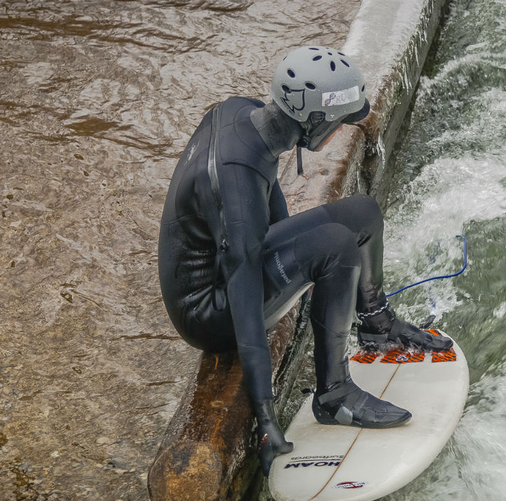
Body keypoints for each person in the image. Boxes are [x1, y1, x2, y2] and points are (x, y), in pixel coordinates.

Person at [158, 46, 452, 476]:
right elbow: (244, 300)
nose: (336, 133)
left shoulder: (246, 114)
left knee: (363, 213)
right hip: (209, 313)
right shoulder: (237, 187)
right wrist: (264, 417)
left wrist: (299, 260)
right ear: (315, 122)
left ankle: (378, 325)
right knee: (335, 244)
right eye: (337, 123)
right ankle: (333, 395)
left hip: (232, 265)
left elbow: (271, 204)